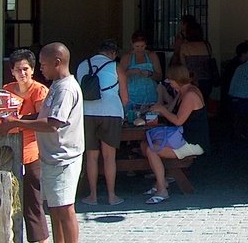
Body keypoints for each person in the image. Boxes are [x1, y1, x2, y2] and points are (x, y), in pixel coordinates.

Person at [0, 42, 84, 243]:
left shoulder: (65, 89)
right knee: (55, 210)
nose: (39, 69)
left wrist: (16, 122)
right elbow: (40, 116)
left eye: (42, 64)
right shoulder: (56, 87)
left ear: (57, 62)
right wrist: (13, 121)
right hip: (51, 156)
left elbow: (52, 123)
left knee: (66, 210)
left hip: (64, 158)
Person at [1, 49, 52, 243]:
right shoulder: (6, 90)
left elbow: (42, 117)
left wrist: (18, 120)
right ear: (11, 71)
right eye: (18, 69)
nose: (22, 73)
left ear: (32, 70)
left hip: (33, 149)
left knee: (33, 197)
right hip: (9, 149)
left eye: (26, 69)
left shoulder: (39, 90)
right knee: (7, 197)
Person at [142, 64, 208, 205]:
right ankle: (162, 180)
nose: (169, 82)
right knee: (144, 144)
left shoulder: (190, 95)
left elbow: (178, 120)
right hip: (183, 138)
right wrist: (161, 100)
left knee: (151, 150)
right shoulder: (183, 91)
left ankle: (162, 189)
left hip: (193, 142)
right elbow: (171, 108)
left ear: (176, 79)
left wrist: (162, 110)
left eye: (170, 80)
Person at [74, 39, 128, 206]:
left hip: (87, 112)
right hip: (110, 112)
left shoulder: (82, 65)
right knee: (109, 157)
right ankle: (112, 196)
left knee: (91, 157)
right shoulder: (115, 66)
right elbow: (125, 97)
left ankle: (93, 196)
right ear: (113, 53)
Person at [170, 20, 215, 103]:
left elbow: (184, 66)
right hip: (207, 80)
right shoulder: (206, 45)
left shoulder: (185, 47)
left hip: (193, 80)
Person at [119, 30, 162, 111]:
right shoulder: (126, 57)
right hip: (131, 98)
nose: (139, 49)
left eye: (142, 46)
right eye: (137, 46)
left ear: (146, 44)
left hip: (150, 96)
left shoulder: (152, 56)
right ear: (132, 44)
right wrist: (130, 72)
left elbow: (160, 77)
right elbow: (119, 78)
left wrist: (150, 74)